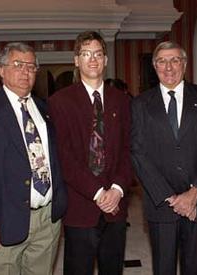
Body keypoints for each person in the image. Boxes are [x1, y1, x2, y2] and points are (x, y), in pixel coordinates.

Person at [131, 41, 197, 275]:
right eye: (162, 61)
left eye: (175, 60)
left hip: (196, 202)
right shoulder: (140, 104)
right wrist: (169, 197)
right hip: (161, 204)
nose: (168, 67)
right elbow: (138, 153)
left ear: (185, 64)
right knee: (163, 268)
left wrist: (193, 194)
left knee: (196, 267)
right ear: (154, 66)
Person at [48, 31, 132, 275]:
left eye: (98, 54)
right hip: (80, 205)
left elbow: (130, 149)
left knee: (112, 269)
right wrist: (97, 192)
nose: (92, 59)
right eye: (86, 54)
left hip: (116, 208)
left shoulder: (122, 100)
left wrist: (116, 190)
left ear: (106, 59)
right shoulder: (60, 101)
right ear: (76, 60)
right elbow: (63, 156)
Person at [0, 42, 67, 275]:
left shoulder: (43, 109)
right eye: (18, 65)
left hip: (47, 218)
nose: (26, 72)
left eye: (31, 67)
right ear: (2, 71)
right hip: (5, 219)